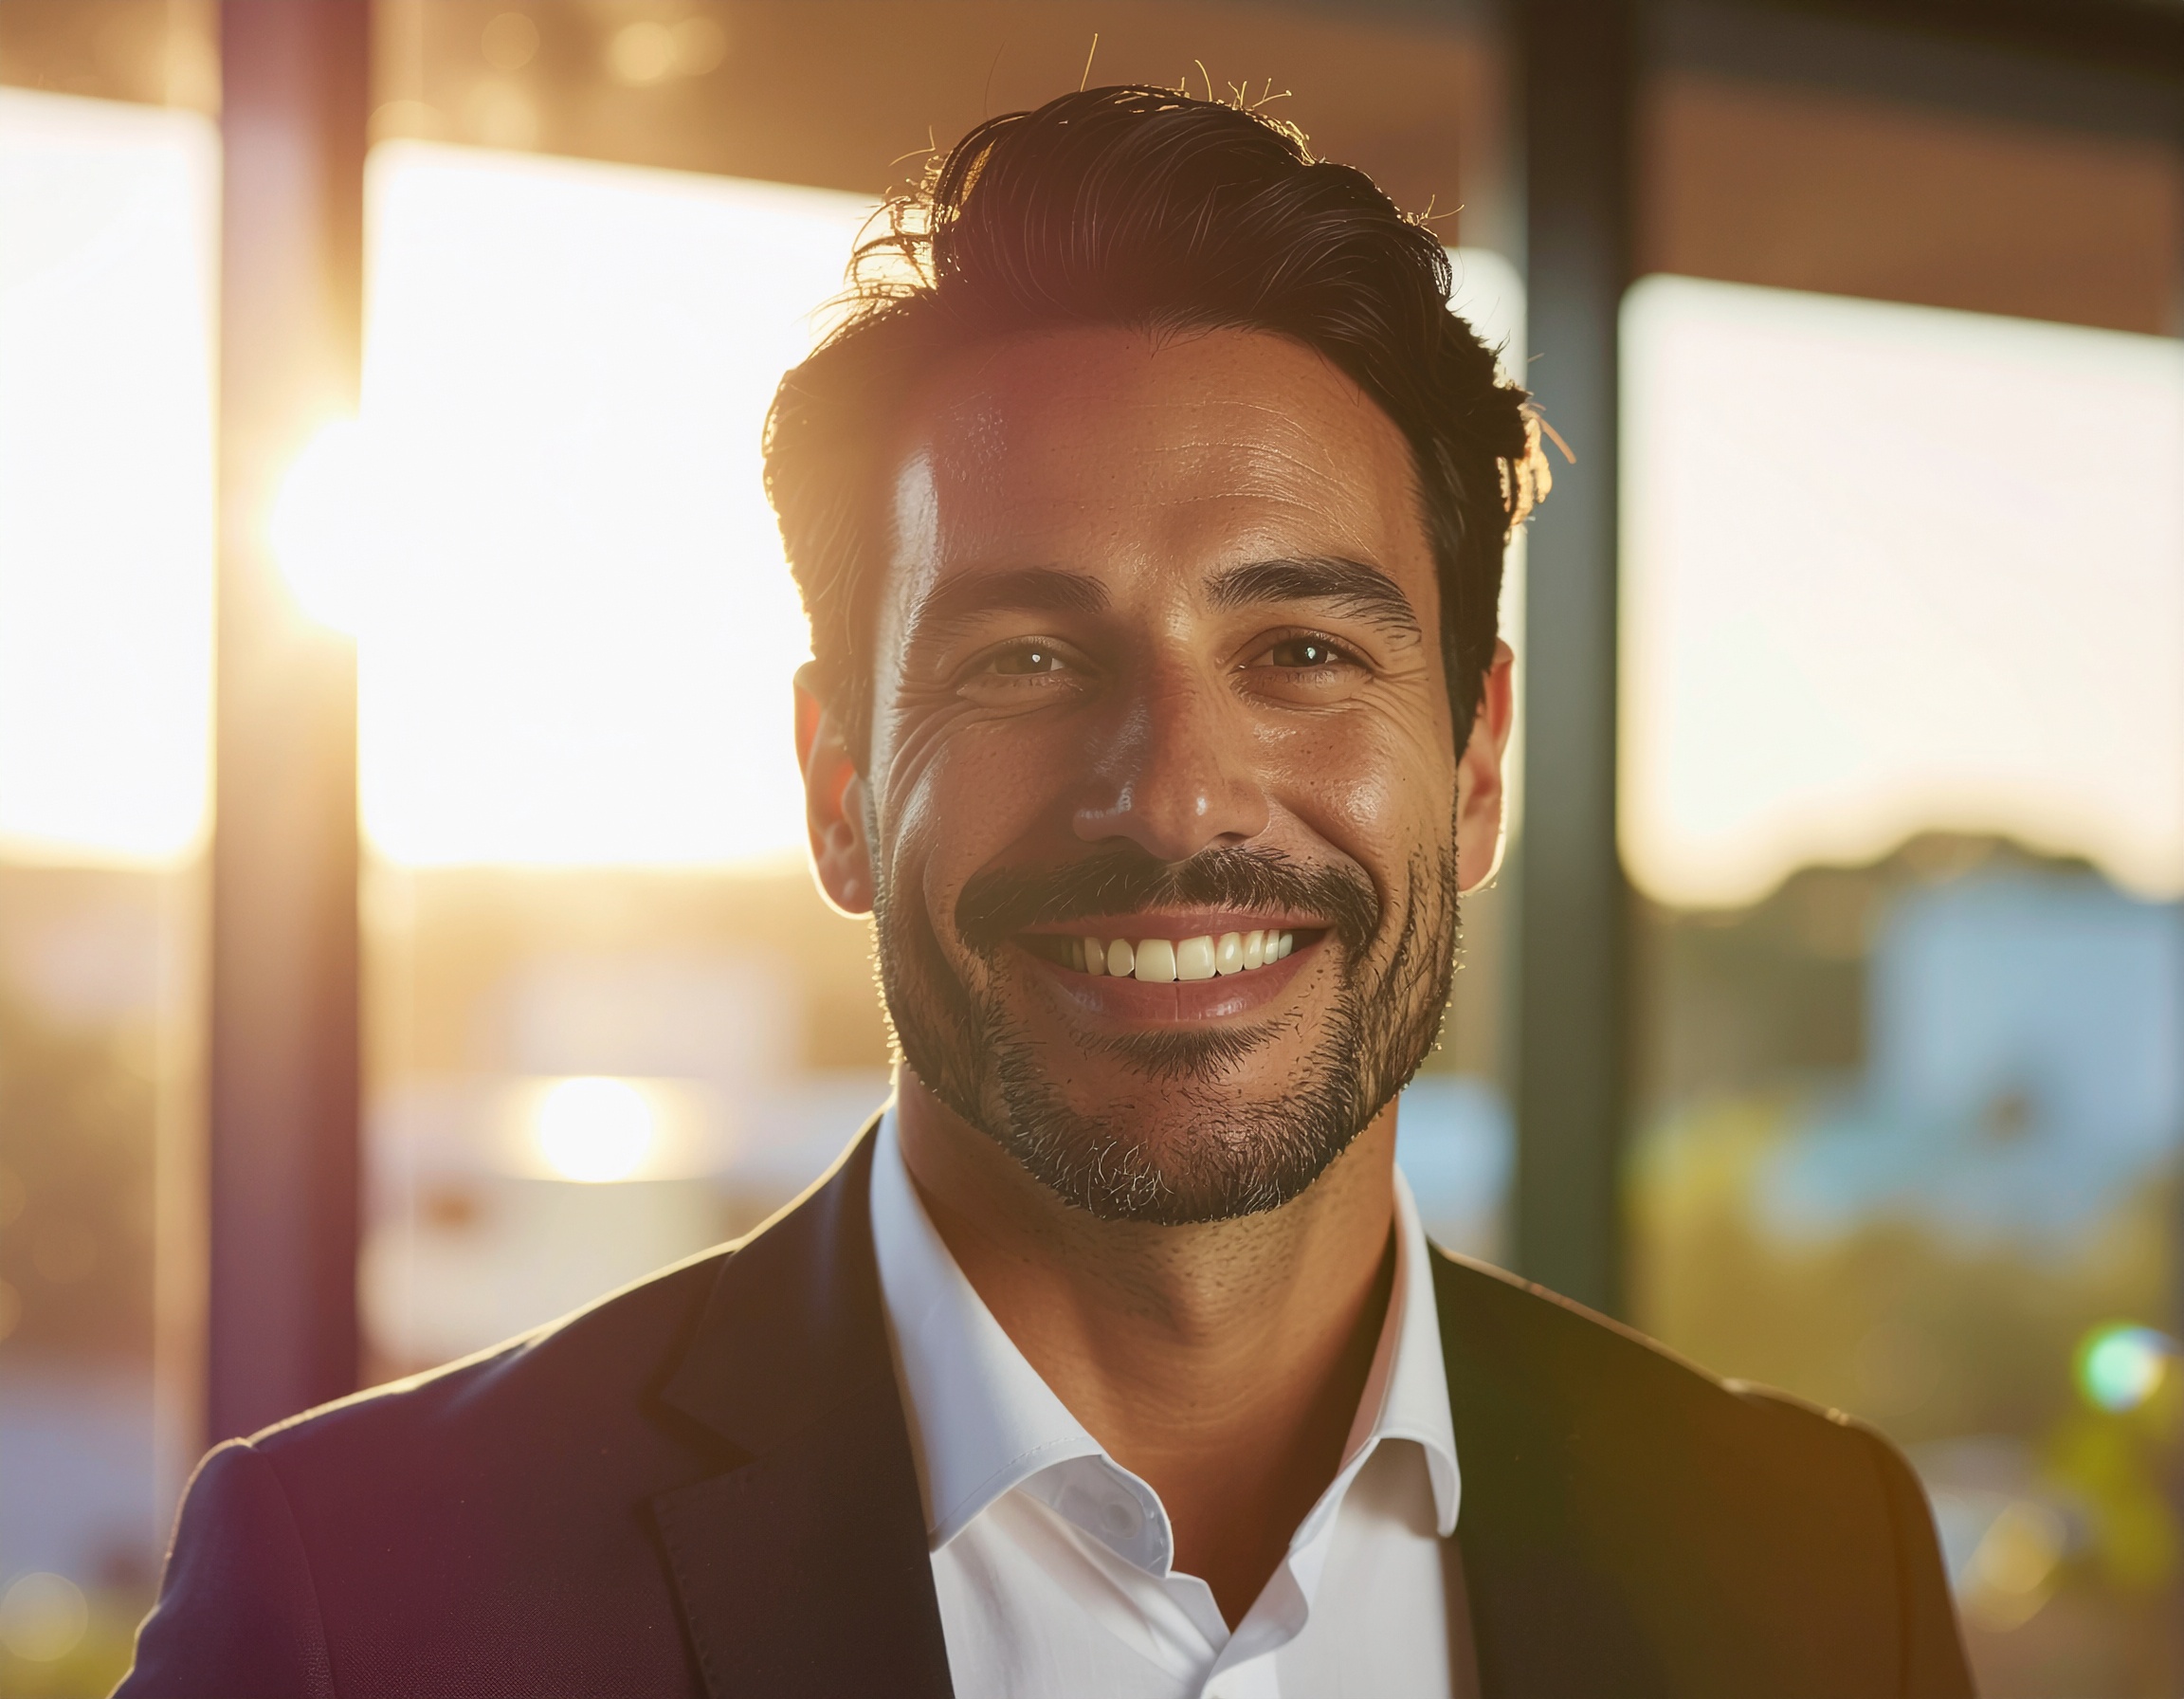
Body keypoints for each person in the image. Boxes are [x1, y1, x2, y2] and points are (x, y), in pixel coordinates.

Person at [118, 88, 1971, 1698]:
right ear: (841, 783)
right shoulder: (359, 1600)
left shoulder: (1816, 1569)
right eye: (1024, 658)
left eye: (1305, 650)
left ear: (1478, 760)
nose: (1173, 788)